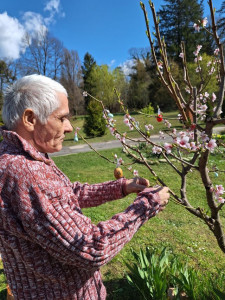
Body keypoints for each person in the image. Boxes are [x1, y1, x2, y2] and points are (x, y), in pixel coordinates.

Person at [0, 74, 170, 300]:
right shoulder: (26, 174)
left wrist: (121, 187)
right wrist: (147, 204)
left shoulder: (15, 157)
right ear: (30, 118)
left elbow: (66, 194)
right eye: (61, 118)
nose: (69, 127)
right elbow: (91, 247)